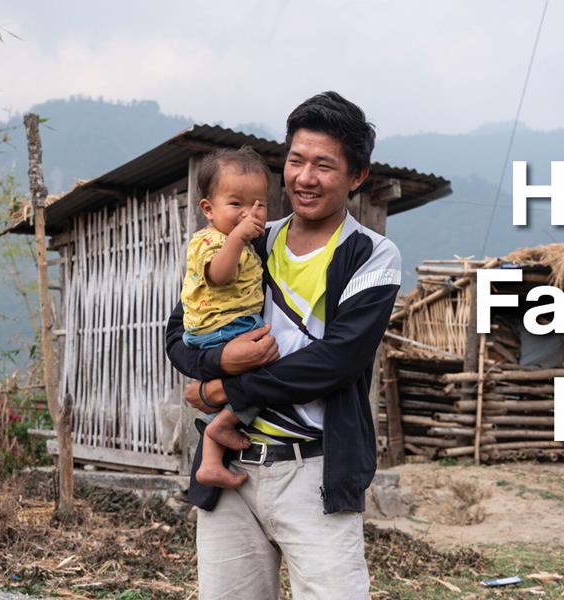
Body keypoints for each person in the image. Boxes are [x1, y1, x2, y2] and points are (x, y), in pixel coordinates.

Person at [165, 91, 401, 599]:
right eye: (296, 160)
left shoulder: (372, 255)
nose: (305, 177)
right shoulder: (249, 239)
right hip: (234, 473)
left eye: (324, 165)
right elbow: (179, 332)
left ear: (357, 176)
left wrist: (226, 391)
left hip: (315, 470)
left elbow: (337, 361)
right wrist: (221, 360)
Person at [180, 146, 269, 490]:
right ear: (208, 208)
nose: (248, 214)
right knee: (271, 374)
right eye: (236, 205)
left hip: (224, 327)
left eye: (258, 205)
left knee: (251, 380)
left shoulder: (241, 242)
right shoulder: (210, 241)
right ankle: (223, 425)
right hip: (224, 329)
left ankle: (212, 460)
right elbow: (219, 276)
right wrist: (237, 237)